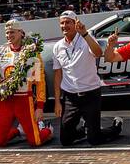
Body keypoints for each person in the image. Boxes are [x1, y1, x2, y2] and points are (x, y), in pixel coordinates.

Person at [0, 23, 53, 148]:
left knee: (35, 142)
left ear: (21, 33)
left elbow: (39, 82)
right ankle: (18, 131)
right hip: (6, 100)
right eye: (7, 32)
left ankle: (47, 130)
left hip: (24, 100)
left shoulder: (32, 53)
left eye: (12, 32)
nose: (9, 35)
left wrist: (40, 107)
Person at [51, 10, 121, 147]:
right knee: (65, 141)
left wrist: (84, 34)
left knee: (94, 140)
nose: (65, 26)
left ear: (75, 23)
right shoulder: (58, 46)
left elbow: (98, 53)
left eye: (68, 23)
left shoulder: (86, 38)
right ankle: (85, 130)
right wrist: (57, 102)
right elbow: (58, 74)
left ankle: (116, 127)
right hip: (70, 97)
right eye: (62, 23)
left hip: (90, 94)